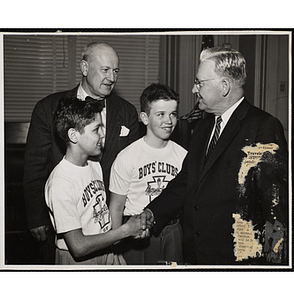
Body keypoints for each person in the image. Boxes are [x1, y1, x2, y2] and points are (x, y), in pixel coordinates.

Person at [140, 46, 288, 265]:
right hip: (197, 256)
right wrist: (152, 213)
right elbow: (186, 181)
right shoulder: (203, 126)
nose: (193, 89)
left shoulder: (263, 128)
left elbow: (275, 211)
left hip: (238, 264)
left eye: (200, 83)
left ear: (224, 86)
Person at [23, 42, 139, 260]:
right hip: (67, 224)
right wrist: (35, 217)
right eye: (105, 70)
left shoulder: (127, 112)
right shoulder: (48, 108)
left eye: (115, 71)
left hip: (110, 225)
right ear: (85, 68)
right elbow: (34, 166)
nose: (112, 78)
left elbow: (132, 167)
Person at [44, 97, 144, 265]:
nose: (103, 134)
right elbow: (78, 246)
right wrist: (125, 231)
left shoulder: (95, 165)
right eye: (96, 129)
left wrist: (133, 227)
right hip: (79, 262)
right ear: (73, 135)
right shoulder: (61, 183)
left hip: (106, 250)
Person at [109, 83, 187, 265]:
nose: (169, 120)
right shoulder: (127, 156)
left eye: (173, 114)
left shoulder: (184, 155)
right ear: (144, 118)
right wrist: (116, 246)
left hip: (173, 229)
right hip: (138, 233)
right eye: (160, 114)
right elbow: (116, 207)